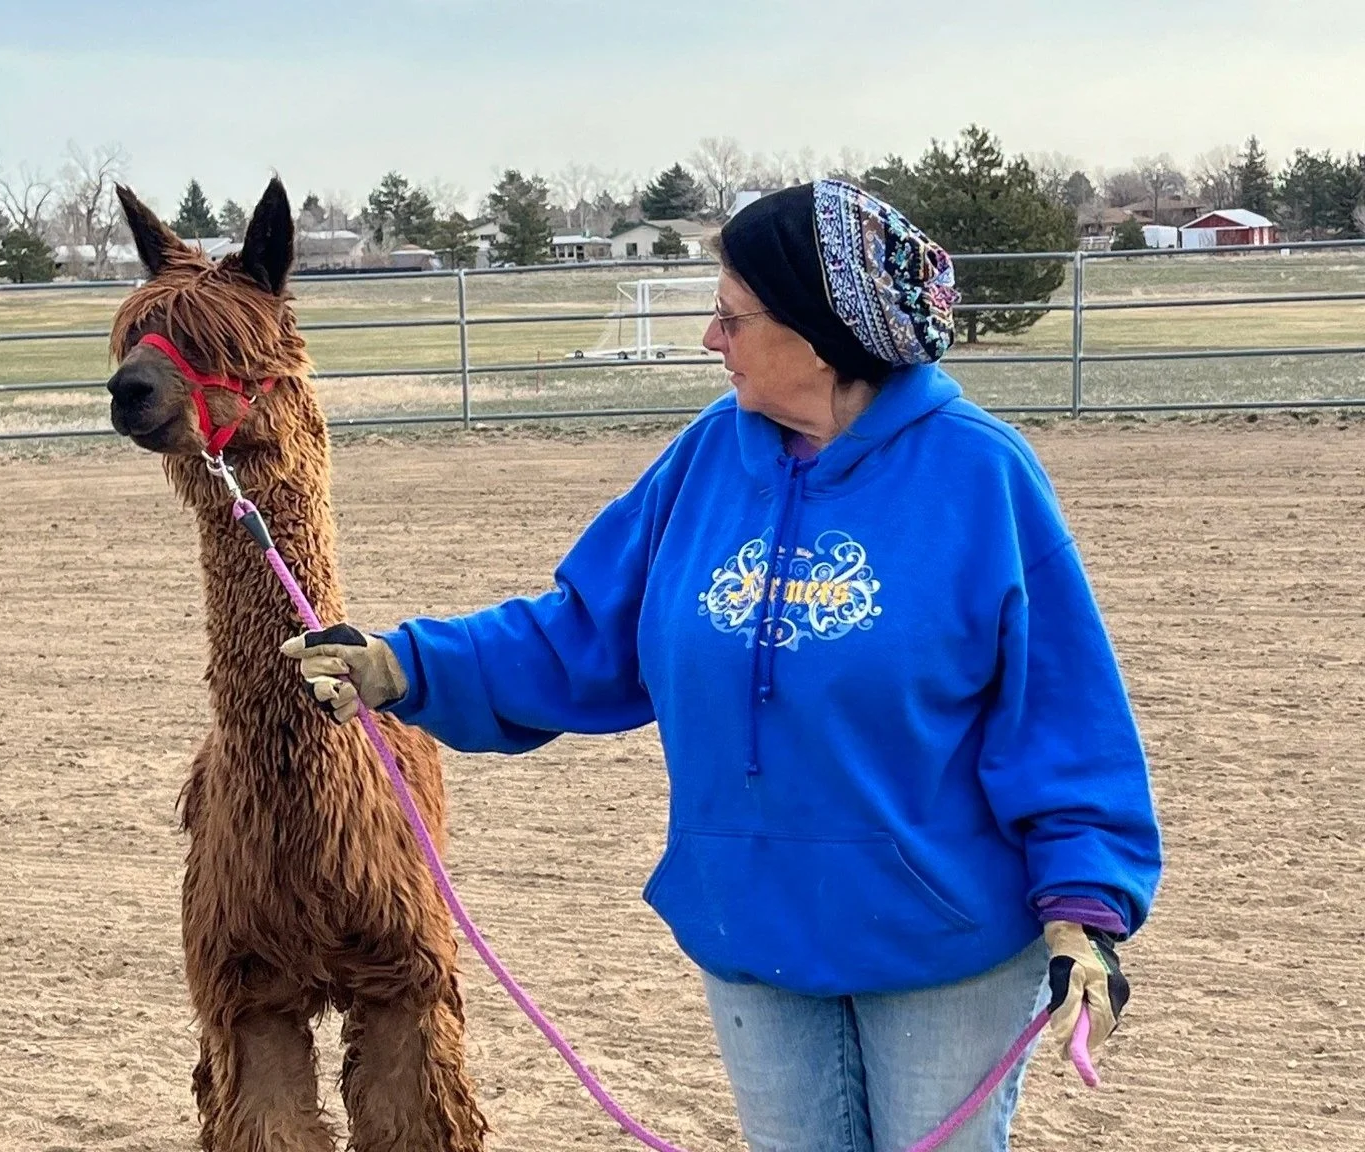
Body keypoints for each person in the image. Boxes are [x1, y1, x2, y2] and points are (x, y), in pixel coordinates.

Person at [279, 179, 1162, 1152]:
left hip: (940, 938)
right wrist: (405, 665)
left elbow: (1065, 713)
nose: (711, 339)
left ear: (819, 333)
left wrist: (1087, 905)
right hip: (752, 928)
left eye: (731, 316)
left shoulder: (981, 476)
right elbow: (581, 633)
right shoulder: (705, 462)